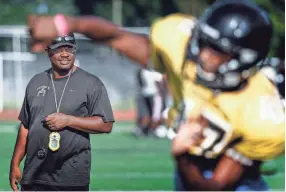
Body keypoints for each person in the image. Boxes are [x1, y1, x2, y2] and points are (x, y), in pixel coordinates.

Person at [26, 0, 285, 190]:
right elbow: (118, 37)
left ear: (244, 61)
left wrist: (181, 154)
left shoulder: (260, 113)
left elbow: (215, 186)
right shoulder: (183, 48)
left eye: (216, 51)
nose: (202, 55)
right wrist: (67, 24)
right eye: (203, 43)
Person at [9, 33, 114, 191]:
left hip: (71, 177)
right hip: (34, 175)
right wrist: (15, 164)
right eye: (59, 49)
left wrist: (68, 120)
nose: (65, 54)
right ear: (48, 52)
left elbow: (106, 124)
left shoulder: (91, 83)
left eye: (69, 49)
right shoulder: (35, 81)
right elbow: (25, 126)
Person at [133, 67, 167, 137]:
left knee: (155, 115)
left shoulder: (155, 72)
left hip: (155, 94)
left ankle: (154, 128)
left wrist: (162, 95)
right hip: (146, 93)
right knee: (147, 113)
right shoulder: (142, 71)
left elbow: (160, 84)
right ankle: (146, 128)